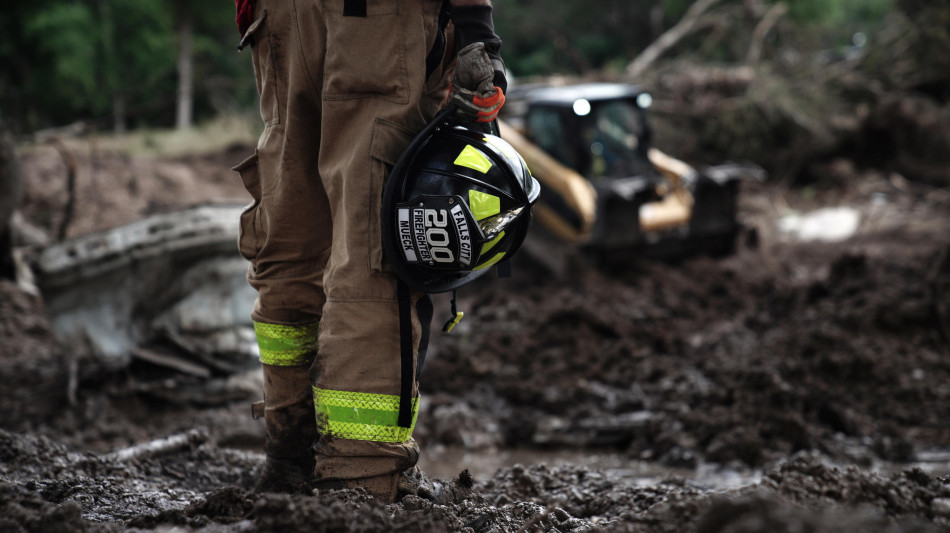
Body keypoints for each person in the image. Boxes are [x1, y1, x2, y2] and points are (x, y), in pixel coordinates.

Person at [232, 0, 507, 502]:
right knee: (371, 250)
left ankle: (290, 458)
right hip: (377, 18)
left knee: (293, 236)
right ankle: (359, 479)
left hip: (278, 18)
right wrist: (475, 27)